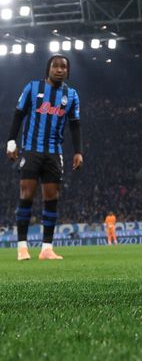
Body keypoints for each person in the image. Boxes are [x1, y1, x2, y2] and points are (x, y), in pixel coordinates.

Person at [5, 54, 83, 260]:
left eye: (63, 67)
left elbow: (75, 125)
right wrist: (11, 142)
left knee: (51, 199)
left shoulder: (72, 95)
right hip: (31, 150)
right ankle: (22, 247)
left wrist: (78, 151)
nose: (59, 70)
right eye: (55, 66)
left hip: (54, 153)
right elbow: (18, 114)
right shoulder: (32, 87)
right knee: (26, 195)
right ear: (48, 69)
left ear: (68, 71)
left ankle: (46, 248)